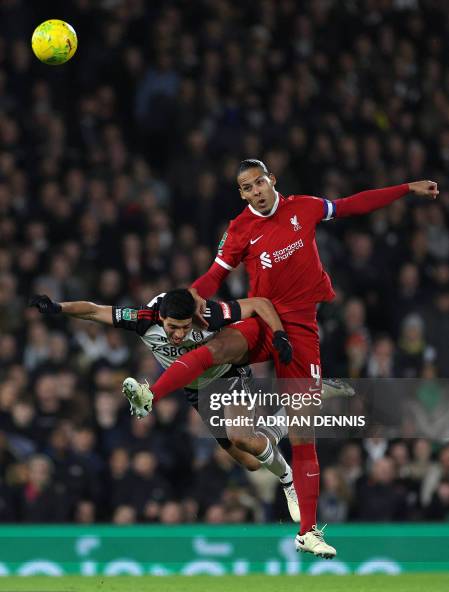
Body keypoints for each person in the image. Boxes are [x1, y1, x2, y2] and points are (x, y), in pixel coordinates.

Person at [124, 159, 438, 558]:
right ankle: (151, 393)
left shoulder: (304, 207)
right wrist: (193, 296)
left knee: (303, 433)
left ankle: (307, 531)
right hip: (260, 317)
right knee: (216, 349)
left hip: (301, 329)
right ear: (241, 194)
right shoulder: (239, 229)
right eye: (247, 188)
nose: (256, 192)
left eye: (260, 183)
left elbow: (351, 205)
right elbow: (212, 277)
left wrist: (405, 188)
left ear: (272, 180)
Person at [30, 289, 302, 521]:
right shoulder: (142, 319)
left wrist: (279, 334)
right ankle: (286, 419)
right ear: (161, 317)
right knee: (251, 462)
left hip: (227, 375)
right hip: (197, 391)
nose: (180, 334)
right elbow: (93, 311)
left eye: (185, 327)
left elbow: (259, 304)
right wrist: (57, 307)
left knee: (241, 437)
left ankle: (290, 480)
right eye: (173, 327)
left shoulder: (206, 313)